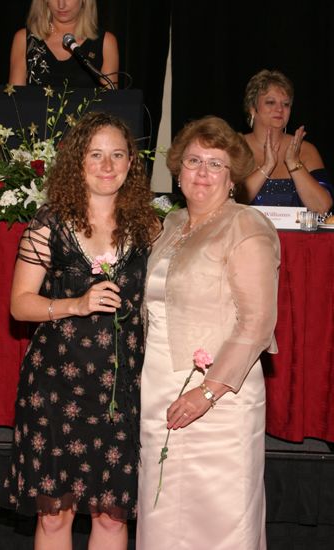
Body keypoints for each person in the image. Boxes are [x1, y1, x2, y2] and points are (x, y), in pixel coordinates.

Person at [2, 111, 160, 550]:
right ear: (78, 162)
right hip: (55, 388)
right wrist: (76, 304)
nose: (107, 166)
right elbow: (19, 304)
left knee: (111, 517)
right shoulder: (48, 224)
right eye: (96, 155)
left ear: (131, 164)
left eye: (117, 155)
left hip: (121, 389)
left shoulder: (150, 227)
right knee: (55, 517)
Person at [136, 116, 281, 550]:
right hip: (159, 388)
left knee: (219, 517)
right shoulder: (170, 225)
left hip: (222, 398)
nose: (202, 172)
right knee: (162, 511)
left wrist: (208, 392)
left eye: (215, 164)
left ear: (232, 177)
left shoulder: (247, 226)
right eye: (194, 161)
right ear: (178, 171)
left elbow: (257, 324)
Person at [241, 69, 333, 213]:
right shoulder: (233, 147)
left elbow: (322, 208)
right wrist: (267, 167)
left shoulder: (306, 150)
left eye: (286, 104)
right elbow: (228, 205)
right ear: (252, 109)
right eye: (270, 102)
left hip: (298, 236)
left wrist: (294, 163)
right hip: (246, 235)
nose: (279, 109)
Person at [9, 0, 119, 88]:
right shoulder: (24, 39)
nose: (61, 4)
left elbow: (110, 104)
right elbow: (15, 101)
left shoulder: (106, 42)